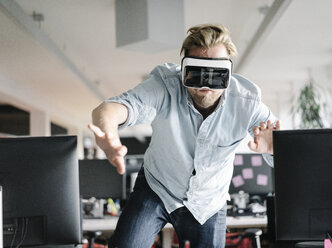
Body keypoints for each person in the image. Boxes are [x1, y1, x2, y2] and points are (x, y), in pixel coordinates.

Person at [89, 24, 280, 248]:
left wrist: (275, 149)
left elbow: (288, 151)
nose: (206, 85)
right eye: (197, 73)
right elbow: (115, 107)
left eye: (216, 75)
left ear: (228, 72)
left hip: (208, 200)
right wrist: (108, 128)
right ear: (183, 71)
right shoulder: (165, 85)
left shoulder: (247, 103)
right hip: (156, 188)